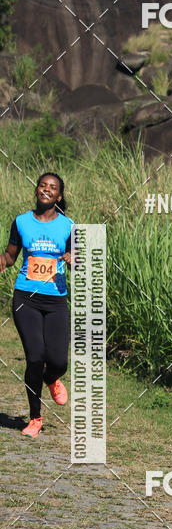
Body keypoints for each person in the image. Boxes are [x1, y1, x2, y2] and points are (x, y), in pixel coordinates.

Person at [0, 173, 74, 437]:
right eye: (43, 185)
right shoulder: (21, 222)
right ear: (37, 190)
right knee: (35, 356)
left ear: (59, 196)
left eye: (52, 188)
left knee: (58, 361)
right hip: (25, 297)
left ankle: (51, 377)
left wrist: (72, 256)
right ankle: (35, 418)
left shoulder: (68, 226)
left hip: (55, 299)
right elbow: (10, 255)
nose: (46, 190)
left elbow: (77, 255)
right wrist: (3, 261)